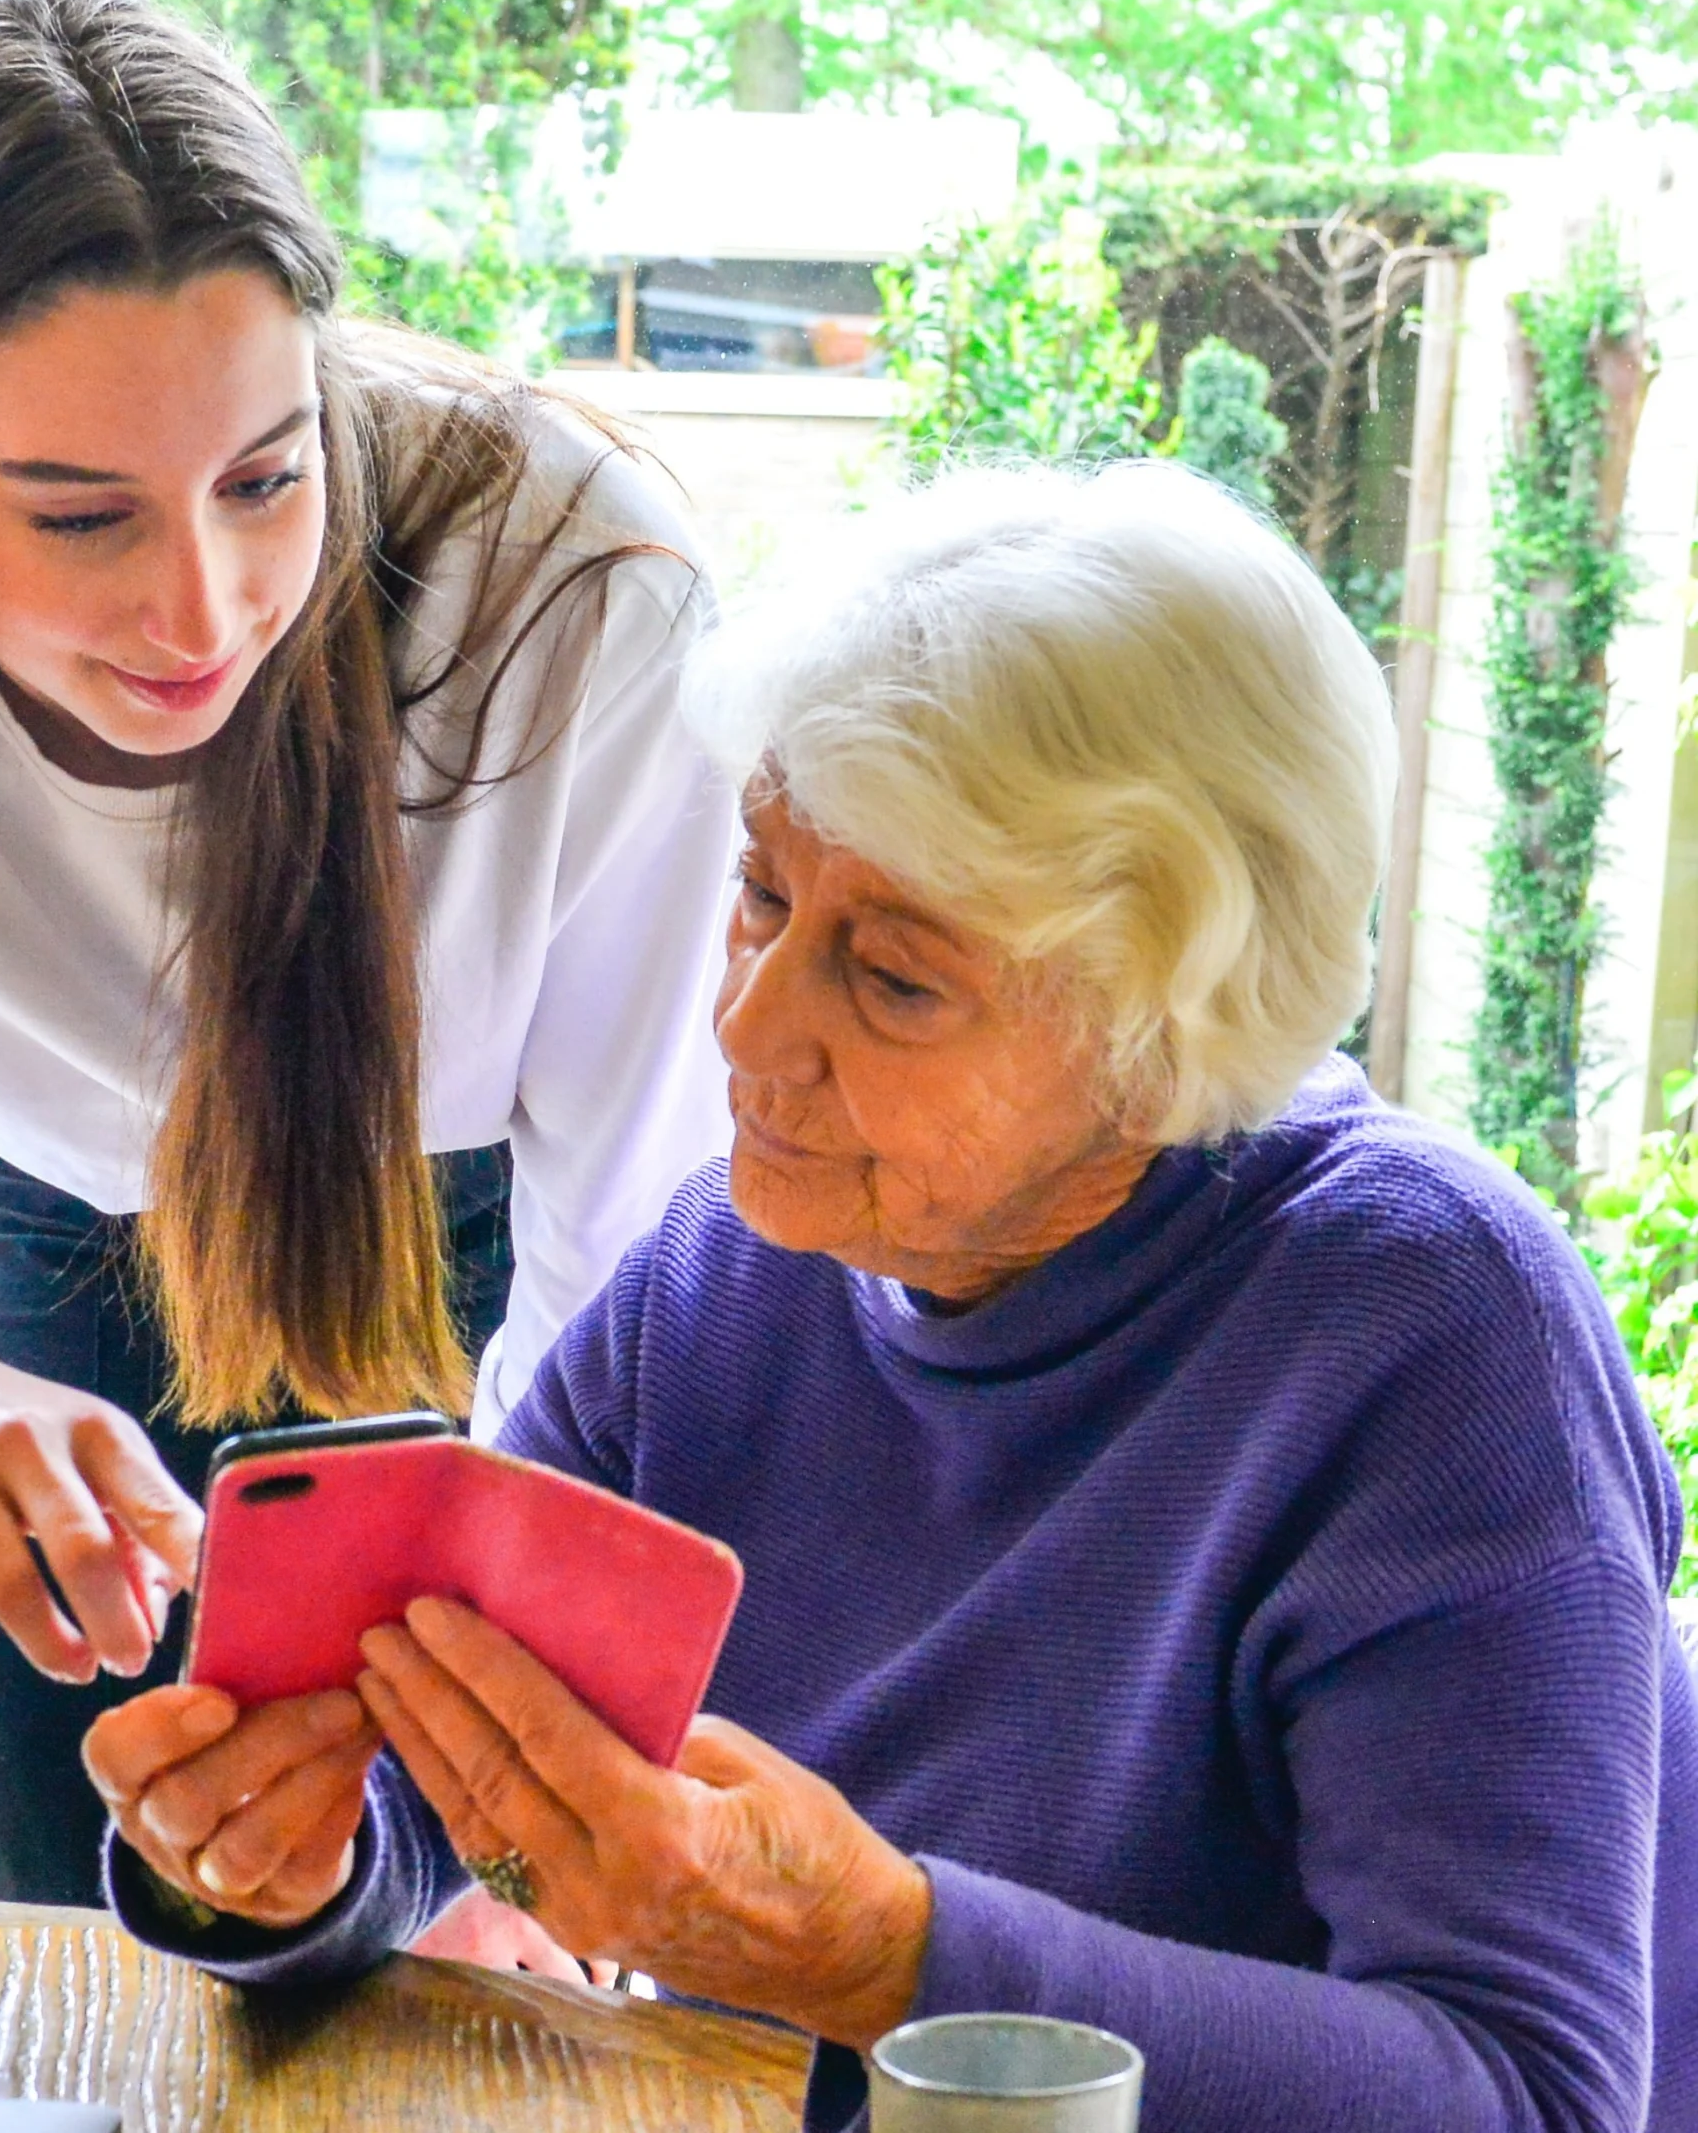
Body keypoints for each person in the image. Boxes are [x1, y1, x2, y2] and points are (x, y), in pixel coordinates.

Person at [86, 462, 1698, 2132]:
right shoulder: (733, 1267)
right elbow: (450, 1771)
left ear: (1162, 1042)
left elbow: (1526, 2092)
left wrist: (886, 1958)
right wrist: (294, 1856)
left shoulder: (1433, 1328)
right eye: (768, 892)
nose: (746, 1027)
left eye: (897, 973)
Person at [0, 0, 731, 1911]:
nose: (207, 605)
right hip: (52, 1267)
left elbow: (662, 1270)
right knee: (73, 1965)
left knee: (437, 1991)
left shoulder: (564, 583)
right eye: (81, 513)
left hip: (504, 1286)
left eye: (268, 478)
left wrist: (519, 1814)